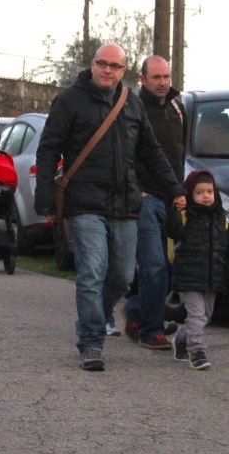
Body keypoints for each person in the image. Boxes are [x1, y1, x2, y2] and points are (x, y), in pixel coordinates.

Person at [33, 43, 187, 372]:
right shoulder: (70, 100)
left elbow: (151, 151)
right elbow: (48, 150)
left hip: (125, 203)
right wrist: (44, 197)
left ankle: (96, 316)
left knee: (121, 277)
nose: (107, 70)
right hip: (85, 202)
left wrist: (175, 187)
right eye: (102, 63)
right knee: (92, 271)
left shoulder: (130, 103)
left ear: (123, 71)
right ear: (92, 65)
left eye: (115, 66)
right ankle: (91, 341)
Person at [121, 55, 187, 349]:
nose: (162, 83)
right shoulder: (133, 109)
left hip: (172, 198)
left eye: (166, 77)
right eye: (156, 77)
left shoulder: (177, 108)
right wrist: (136, 190)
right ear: (143, 79)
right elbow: (123, 155)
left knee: (169, 269)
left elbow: (178, 154)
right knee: (154, 266)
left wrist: (181, 191)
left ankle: (137, 311)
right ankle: (151, 331)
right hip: (145, 200)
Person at [167, 170, 229, 370]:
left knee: (205, 316)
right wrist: (175, 211)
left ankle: (181, 338)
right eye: (199, 192)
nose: (205, 196)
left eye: (209, 192)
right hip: (189, 276)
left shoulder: (222, 221)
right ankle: (197, 353)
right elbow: (172, 231)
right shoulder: (186, 216)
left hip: (213, 277)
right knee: (197, 316)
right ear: (189, 195)